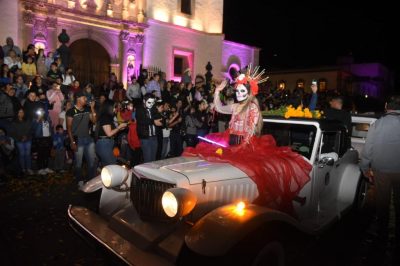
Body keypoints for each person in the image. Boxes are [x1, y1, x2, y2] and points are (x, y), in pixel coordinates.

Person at [360, 95, 400, 250]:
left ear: (386, 106)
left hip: (381, 169)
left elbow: (368, 148)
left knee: (382, 202)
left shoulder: (377, 124)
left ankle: (382, 233)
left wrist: (364, 167)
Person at [213, 67, 265, 146]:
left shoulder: (252, 107)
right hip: (232, 141)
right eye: (237, 91)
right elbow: (219, 108)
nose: (239, 93)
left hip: (245, 144)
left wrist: (242, 147)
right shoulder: (235, 106)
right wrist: (217, 91)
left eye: (242, 90)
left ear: (249, 93)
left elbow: (251, 131)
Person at [66, 90, 97, 188]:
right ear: (78, 99)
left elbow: (94, 121)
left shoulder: (88, 109)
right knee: (78, 162)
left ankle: (91, 180)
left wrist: (92, 108)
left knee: (92, 161)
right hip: (78, 140)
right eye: (84, 98)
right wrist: (72, 141)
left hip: (88, 139)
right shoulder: (71, 111)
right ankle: (79, 180)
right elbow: (69, 128)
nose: (86, 100)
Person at [95, 100, 127, 166]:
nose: (116, 109)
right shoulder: (105, 117)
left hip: (106, 143)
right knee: (112, 166)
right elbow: (109, 133)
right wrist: (119, 127)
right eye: (114, 107)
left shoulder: (108, 117)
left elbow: (111, 131)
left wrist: (120, 128)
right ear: (109, 107)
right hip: (104, 144)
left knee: (108, 167)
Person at [136, 93, 162, 162]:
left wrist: (161, 116)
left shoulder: (153, 108)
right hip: (145, 138)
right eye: (149, 102)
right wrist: (153, 121)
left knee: (153, 159)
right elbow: (142, 120)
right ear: (144, 101)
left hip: (154, 137)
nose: (151, 104)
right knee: (148, 159)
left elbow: (158, 118)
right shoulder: (139, 109)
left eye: (153, 102)